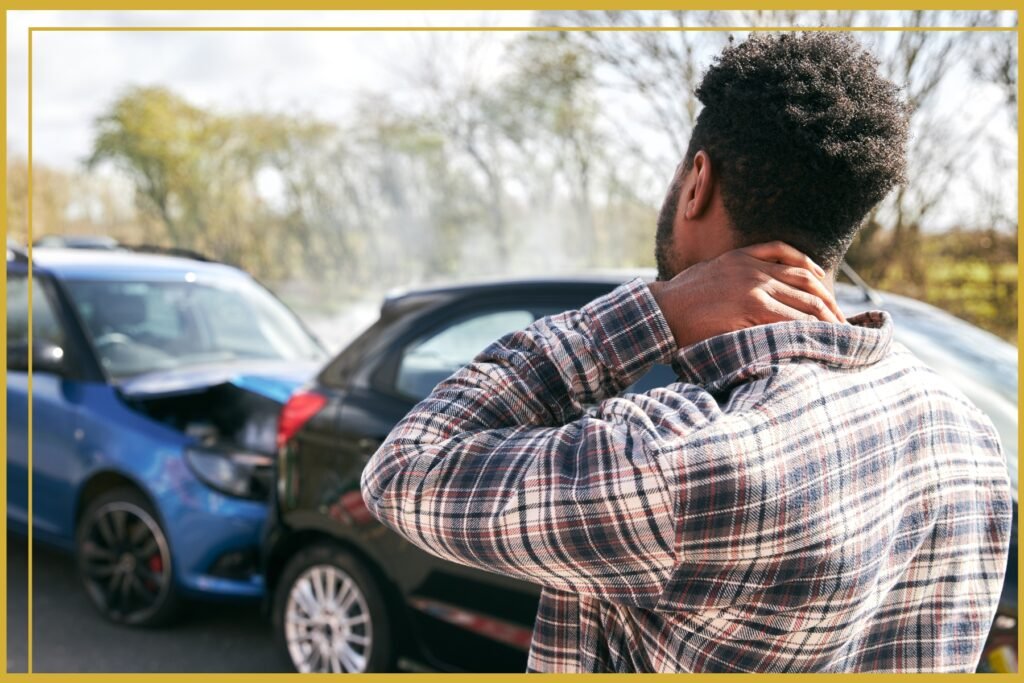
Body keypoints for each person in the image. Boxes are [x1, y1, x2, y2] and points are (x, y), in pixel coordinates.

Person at [360, 32, 1012, 673]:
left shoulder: (674, 458)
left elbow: (404, 470)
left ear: (697, 180)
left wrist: (657, 311)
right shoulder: (969, 440)